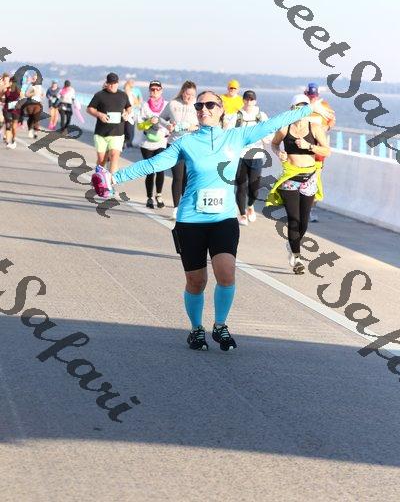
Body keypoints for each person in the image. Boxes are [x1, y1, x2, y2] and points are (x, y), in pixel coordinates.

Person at [92, 91, 332, 351]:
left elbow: (271, 124)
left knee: (226, 273)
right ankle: (196, 329)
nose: (203, 109)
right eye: (199, 105)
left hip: (223, 219)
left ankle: (220, 325)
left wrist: (306, 109)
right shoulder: (186, 143)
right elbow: (153, 164)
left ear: (221, 110)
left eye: (209, 104)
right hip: (190, 221)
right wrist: (114, 178)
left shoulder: (236, 137)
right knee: (196, 282)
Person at [267, 95, 331, 275]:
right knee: (293, 219)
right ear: (292, 109)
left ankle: (292, 243)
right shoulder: (285, 128)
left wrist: (309, 146)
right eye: (297, 106)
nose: (301, 110)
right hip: (290, 178)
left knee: (303, 221)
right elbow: (274, 144)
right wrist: (278, 152)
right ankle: (296, 258)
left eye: (304, 106)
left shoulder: (315, 128)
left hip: (309, 177)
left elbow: (327, 151)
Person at [160, 80, 198, 219]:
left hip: (191, 146)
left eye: (192, 95)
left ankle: (185, 208)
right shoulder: (173, 104)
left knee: (188, 179)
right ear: (183, 92)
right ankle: (176, 208)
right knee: (177, 177)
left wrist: (192, 127)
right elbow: (161, 118)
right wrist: (168, 125)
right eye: (187, 94)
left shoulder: (197, 106)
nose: (189, 97)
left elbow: (201, 125)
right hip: (174, 144)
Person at [233, 90, 270, 225]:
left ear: (255, 101)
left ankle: (250, 205)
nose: (249, 101)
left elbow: (268, 133)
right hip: (240, 155)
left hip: (256, 155)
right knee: (241, 186)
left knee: (254, 188)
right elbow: (230, 134)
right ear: (243, 100)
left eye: (251, 99)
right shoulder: (237, 116)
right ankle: (242, 214)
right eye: (247, 99)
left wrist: (266, 139)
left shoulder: (261, 116)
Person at [87, 72, 132, 174]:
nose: (112, 85)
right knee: (102, 160)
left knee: (114, 156)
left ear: (118, 83)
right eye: (110, 83)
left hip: (118, 133)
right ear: (107, 83)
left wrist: (127, 113)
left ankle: (111, 181)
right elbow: (89, 109)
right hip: (101, 133)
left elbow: (129, 107)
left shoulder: (123, 95)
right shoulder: (99, 95)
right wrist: (99, 114)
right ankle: (98, 178)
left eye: (114, 83)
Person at [304, 82, 335, 222]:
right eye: (310, 95)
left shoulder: (324, 106)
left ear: (318, 95)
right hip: (301, 151)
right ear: (305, 94)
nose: (312, 98)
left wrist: (324, 129)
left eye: (314, 96)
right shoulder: (301, 105)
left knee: (314, 182)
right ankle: (301, 209)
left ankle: (310, 210)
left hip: (317, 153)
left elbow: (332, 120)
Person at [137, 80, 169, 209]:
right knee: (150, 171)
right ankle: (149, 197)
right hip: (147, 143)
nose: (154, 91)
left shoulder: (167, 105)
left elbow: (171, 121)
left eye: (157, 89)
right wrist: (150, 122)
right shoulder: (144, 106)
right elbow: (139, 126)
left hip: (162, 141)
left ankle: (159, 195)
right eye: (152, 89)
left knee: (160, 168)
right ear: (149, 91)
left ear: (161, 91)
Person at [23, 74, 44, 138]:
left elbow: (42, 94)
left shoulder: (40, 86)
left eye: (36, 79)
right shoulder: (30, 86)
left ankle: (35, 132)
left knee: (36, 118)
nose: (35, 80)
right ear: (33, 79)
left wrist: (42, 95)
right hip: (30, 103)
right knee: (31, 118)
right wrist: (32, 93)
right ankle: (30, 130)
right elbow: (26, 94)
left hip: (38, 103)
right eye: (34, 78)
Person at [3, 76, 21, 148]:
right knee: (8, 125)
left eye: (13, 82)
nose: (12, 83)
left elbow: (22, 98)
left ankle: (13, 139)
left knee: (13, 127)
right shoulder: (6, 89)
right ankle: (7, 142)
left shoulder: (18, 90)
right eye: (11, 81)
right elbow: (2, 97)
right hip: (7, 109)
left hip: (16, 110)